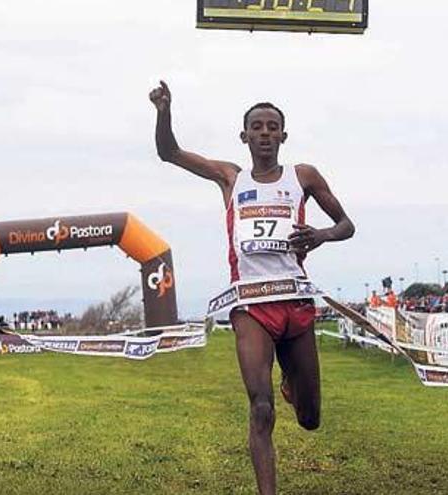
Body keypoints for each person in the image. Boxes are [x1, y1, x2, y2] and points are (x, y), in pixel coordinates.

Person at [150, 80, 355, 495]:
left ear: (283, 135)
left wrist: (320, 235)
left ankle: (293, 386)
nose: (264, 133)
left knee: (310, 418)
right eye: (256, 127)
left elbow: (347, 225)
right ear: (244, 136)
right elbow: (169, 153)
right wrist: (164, 112)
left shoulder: (304, 177)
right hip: (251, 306)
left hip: (295, 302)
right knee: (260, 410)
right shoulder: (230, 177)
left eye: (272, 126)